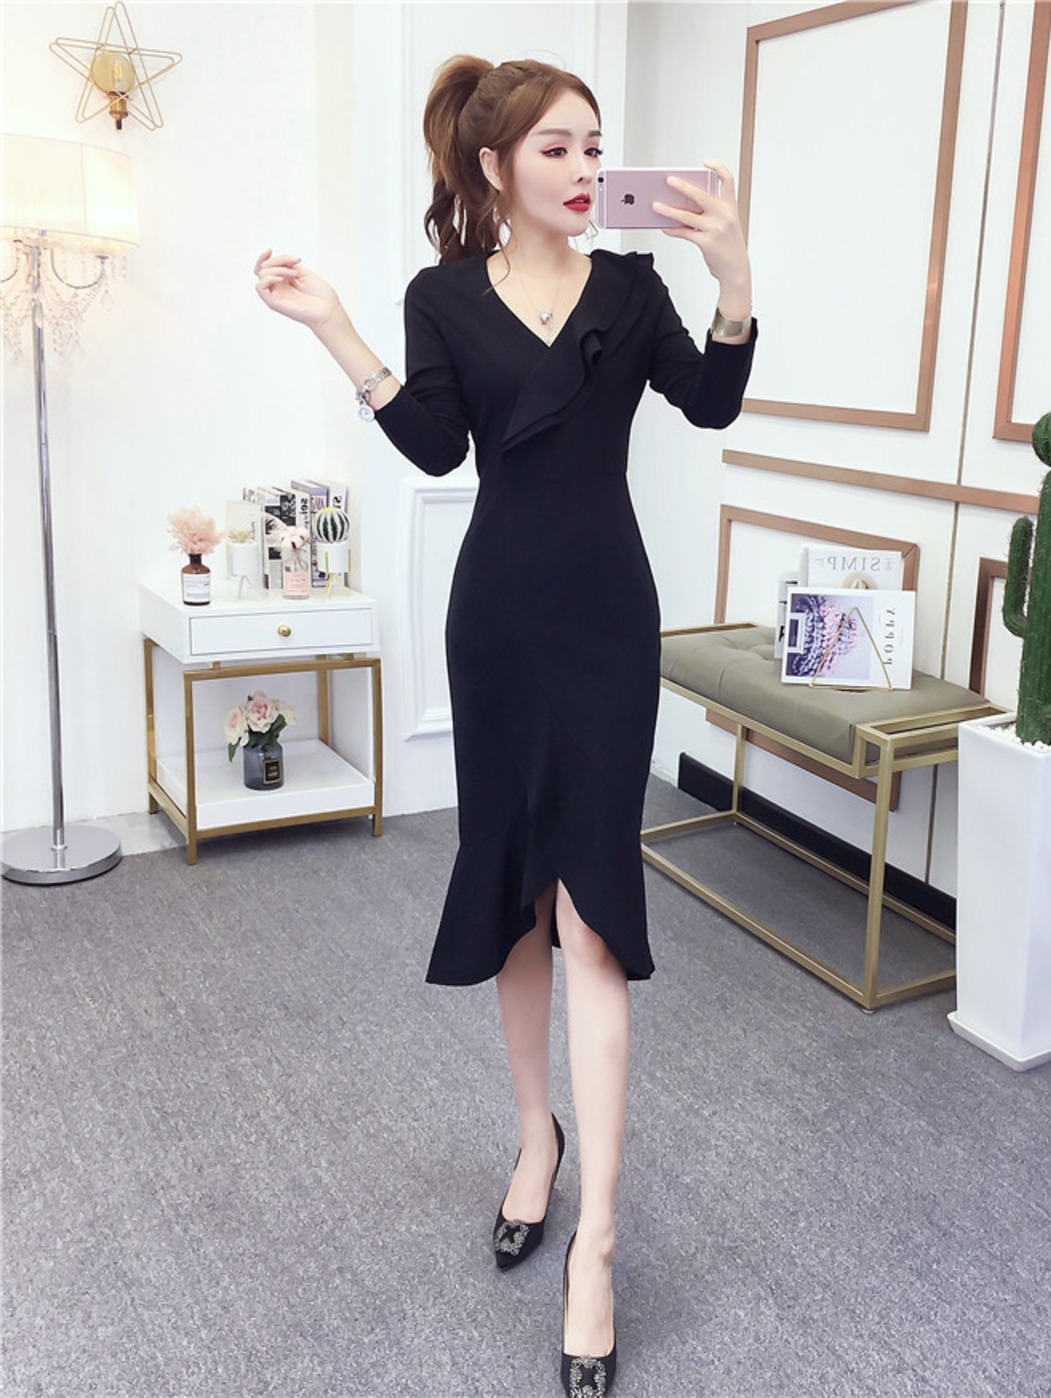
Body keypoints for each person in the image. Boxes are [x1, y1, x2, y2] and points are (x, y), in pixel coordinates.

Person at [254, 55, 755, 1397]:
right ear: (493, 167)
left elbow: (710, 401)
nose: (586, 170)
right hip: (496, 625)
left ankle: (599, 1242)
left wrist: (733, 275)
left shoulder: (634, 291)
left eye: (595, 146)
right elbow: (432, 445)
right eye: (556, 149)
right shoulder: (442, 298)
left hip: (606, 622)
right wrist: (334, 325)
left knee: (593, 909)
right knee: (519, 894)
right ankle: (537, 1139)